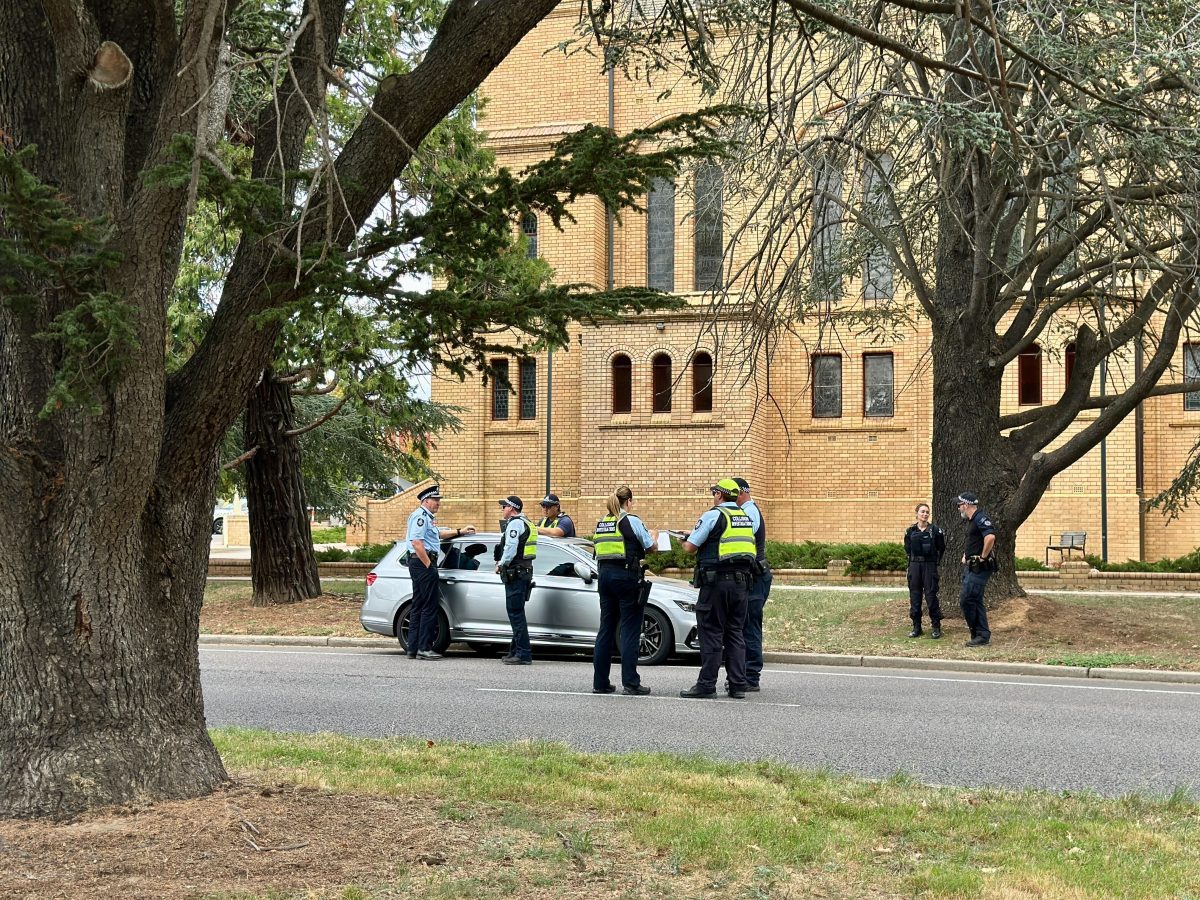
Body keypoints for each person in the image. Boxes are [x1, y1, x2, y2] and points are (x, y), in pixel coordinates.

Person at [680, 479, 757, 699]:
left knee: (712, 632)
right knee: (735, 633)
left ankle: (706, 685)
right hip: (742, 584)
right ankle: (737, 685)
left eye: (715, 492)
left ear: (720, 495)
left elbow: (690, 547)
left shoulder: (713, 515)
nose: (714, 496)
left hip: (716, 583)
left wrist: (684, 540)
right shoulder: (744, 518)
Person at [591, 485, 657, 696]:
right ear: (628, 502)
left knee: (606, 628)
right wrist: (654, 536)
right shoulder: (631, 520)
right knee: (629, 629)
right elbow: (651, 547)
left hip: (605, 577)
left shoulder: (602, 523)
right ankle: (630, 683)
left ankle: (600, 683)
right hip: (626, 577)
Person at [403, 484, 476, 660]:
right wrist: (429, 566)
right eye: (435, 500)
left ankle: (413, 648)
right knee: (429, 606)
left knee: (419, 606)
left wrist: (460, 531)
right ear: (426, 501)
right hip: (422, 563)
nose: (438, 503)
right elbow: (417, 543)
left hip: (419, 563)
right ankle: (424, 648)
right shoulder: (420, 517)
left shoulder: (427, 518)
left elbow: (437, 535)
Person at [733, 477, 771, 692]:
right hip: (753, 577)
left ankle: (751, 676)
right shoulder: (747, 510)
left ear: (741, 493)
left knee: (750, 626)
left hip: (755, 578)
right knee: (746, 625)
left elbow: (744, 538)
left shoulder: (749, 512)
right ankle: (744, 674)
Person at [496, 495, 536, 665]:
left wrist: (501, 563)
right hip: (524, 572)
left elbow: (511, 548)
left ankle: (523, 653)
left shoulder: (515, 524)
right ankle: (515, 651)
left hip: (516, 573)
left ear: (511, 508)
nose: (502, 509)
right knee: (517, 612)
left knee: (515, 614)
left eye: (504, 506)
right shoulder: (527, 522)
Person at [956, 491, 996, 647]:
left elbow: (990, 537)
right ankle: (981, 634)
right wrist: (967, 554)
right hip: (972, 566)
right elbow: (976, 540)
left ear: (965, 505)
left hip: (980, 567)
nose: (958, 508)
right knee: (974, 600)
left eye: (959, 505)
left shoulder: (980, 517)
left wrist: (983, 557)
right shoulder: (972, 520)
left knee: (968, 600)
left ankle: (980, 635)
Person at [904, 502, 945, 639]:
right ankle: (917, 627)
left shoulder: (935, 531)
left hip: (929, 566)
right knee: (915, 597)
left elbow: (941, 548)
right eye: (922, 512)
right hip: (915, 566)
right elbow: (907, 549)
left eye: (927, 512)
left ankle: (936, 626)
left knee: (931, 596)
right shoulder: (910, 531)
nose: (925, 514)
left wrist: (934, 562)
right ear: (917, 513)